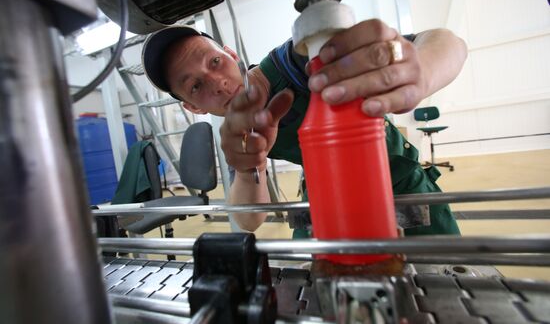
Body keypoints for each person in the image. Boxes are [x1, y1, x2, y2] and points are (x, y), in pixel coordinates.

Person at [141, 19, 467, 235]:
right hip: (327, 202)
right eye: (196, 86)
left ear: (231, 54)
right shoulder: (238, 134)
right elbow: (249, 218)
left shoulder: (297, 62)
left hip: (400, 189)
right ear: (193, 107)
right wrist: (248, 168)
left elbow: (446, 41)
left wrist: (420, 69)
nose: (219, 84)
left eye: (214, 62)